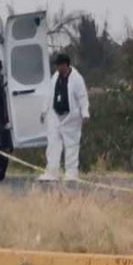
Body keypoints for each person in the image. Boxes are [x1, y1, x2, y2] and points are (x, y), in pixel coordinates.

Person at [38, 53, 90, 182]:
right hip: (56, 115)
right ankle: (52, 172)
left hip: (71, 117)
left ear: (66, 65)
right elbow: (49, 94)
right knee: (53, 144)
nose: (58, 68)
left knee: (71, 145)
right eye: (56, 65)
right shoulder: (55, 77)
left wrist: (85, 113)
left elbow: (82, 97)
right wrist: (44, 111)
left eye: (59, 65)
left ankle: (71, 173)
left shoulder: (77, 79)